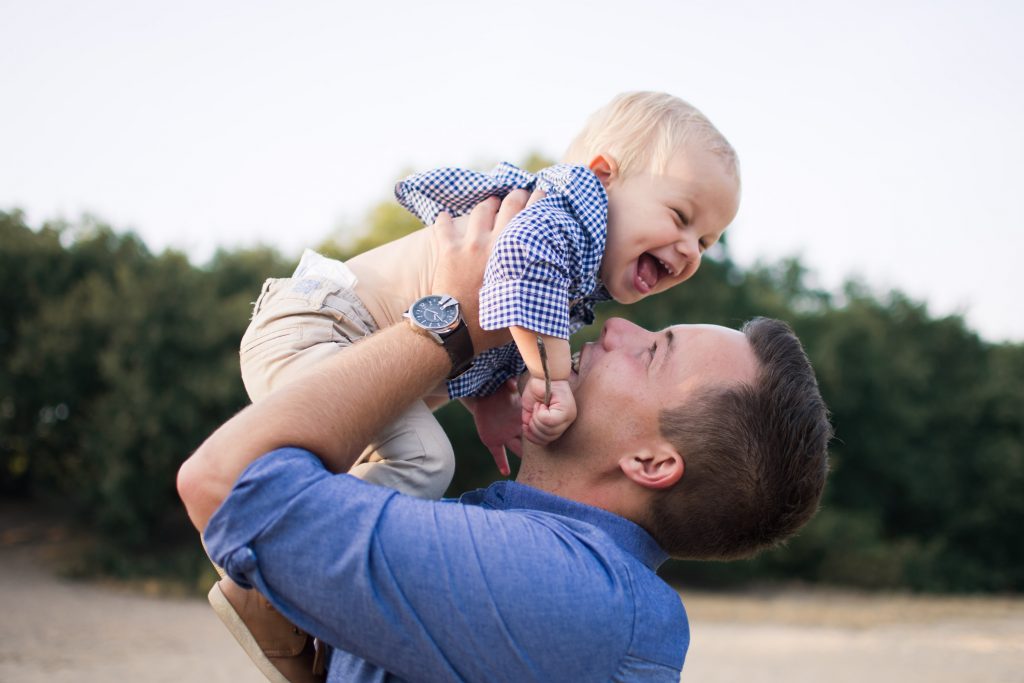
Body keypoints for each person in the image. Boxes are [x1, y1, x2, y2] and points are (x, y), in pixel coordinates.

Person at [177, 193, 832, 682]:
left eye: (653, 351)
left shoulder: (577, 595)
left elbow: (223, 480)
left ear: (652, 461)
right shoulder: (554, 575)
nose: (615, 330)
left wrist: (453, 317)